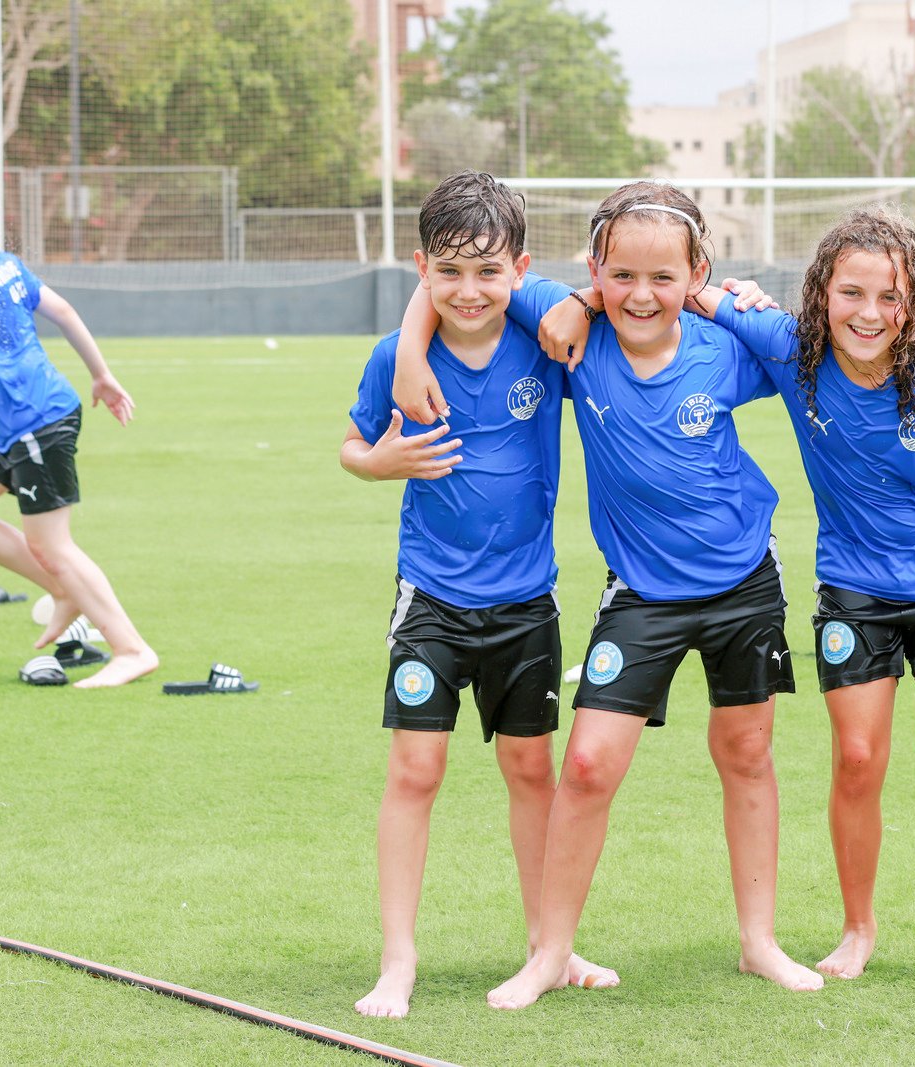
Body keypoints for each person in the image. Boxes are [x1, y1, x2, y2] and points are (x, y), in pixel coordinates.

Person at [391, 180, 821, 1010]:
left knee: (746, 752)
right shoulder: (569, 334)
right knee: (586, 764)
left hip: (743, 579)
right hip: (641, 592)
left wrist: (733, 302)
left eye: (664, 278)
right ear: (594, 271)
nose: (641, 295)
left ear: (696, 273)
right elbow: (460, 272)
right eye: (620, 276)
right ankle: (550, 951)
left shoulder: (726, 345)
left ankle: (759, 940)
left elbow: (821, 347)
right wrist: (416, 348)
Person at [686, 209, 915, 996]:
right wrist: (734, 290)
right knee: (858, 759)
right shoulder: (789, 346)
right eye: (851, 293)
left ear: (914, 302)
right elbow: (692, 291)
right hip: (854, 583)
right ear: (821, 293)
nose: (870, 313)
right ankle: (858, 927)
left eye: (891, 297)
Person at [341, 171, 616, 1019]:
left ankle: (548, 944)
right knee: (415, 770)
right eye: (449, 272)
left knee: (531, 768)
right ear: (421, 267)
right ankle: (398, 957)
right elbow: (352, 445)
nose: (468, 291)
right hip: (430, 595)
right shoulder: (394, 359)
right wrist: (379, 462)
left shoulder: (544, 338)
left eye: (489, 272)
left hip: (527, 600)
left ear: (519, 269)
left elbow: (597, 302)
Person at [0, 157, 156, 689]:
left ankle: (131, 648)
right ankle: (65, 591)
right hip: (12, 425)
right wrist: (101, 375)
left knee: (53, 545)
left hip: (37, 421)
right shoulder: (2, 262)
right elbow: (64, 311)